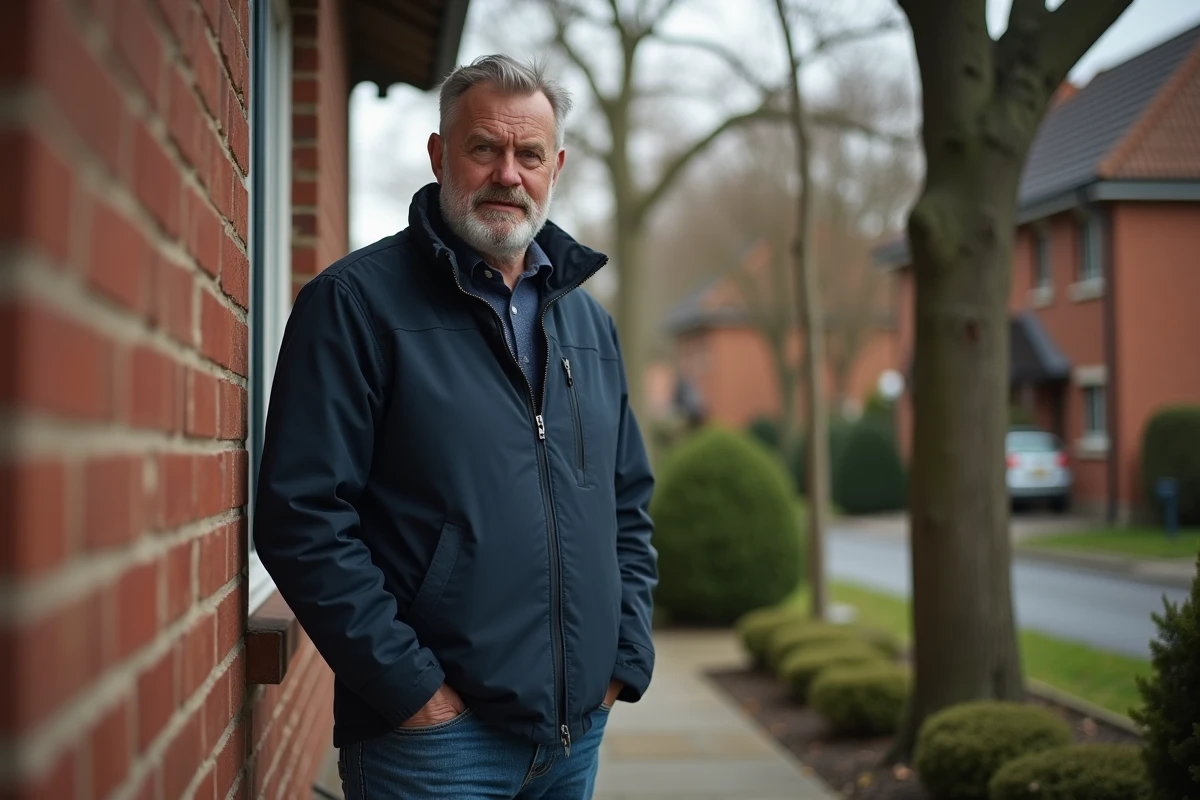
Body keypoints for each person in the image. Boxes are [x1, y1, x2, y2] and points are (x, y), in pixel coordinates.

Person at [253, 53, 658, 800]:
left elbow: (626, 506)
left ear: (555, 166)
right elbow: (301, 518)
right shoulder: (354, 306)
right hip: (435, 750)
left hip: (574, 740)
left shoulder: (589, 325)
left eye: (528, 153)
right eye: (485, 148)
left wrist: (624, 657)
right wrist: (413, 694)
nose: (509, 173)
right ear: (441, 155)